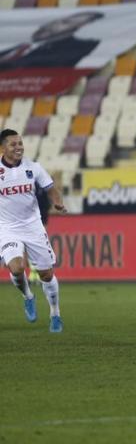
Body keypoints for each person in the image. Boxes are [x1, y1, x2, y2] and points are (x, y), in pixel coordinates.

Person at [0, 129, 67, 332]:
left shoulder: (34, 168)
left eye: (20, 143)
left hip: (33, 226)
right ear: (3, 148)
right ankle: (28, 296)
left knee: (46, 274)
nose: (19, 147)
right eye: (13, 144)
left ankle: (55, 313)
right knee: (17, 268)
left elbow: (50, 188)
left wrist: (57, 203)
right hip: (7, 228)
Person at [0, 11, 104, 70]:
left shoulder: (77, 49)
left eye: (65, 23)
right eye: (57, 20)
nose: (53, 24)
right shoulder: (23, 46)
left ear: (81, 28)